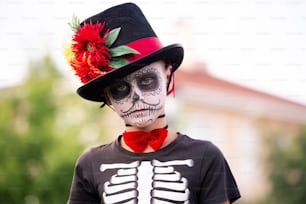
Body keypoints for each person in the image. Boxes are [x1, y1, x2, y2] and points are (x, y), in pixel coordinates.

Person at [65, 2, 241, 204]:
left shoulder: (206, 156)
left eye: (147, 80)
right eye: (120, 89)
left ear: (167, 74)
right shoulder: (90, 164)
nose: (136, 96)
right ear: (107, 97)